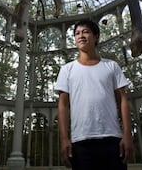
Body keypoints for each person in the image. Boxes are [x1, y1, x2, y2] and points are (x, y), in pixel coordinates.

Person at [55, 19, 133, 169]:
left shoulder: (111, 66)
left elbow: (123, 100)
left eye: (86, 32)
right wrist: (64, 139)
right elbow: (63, 105)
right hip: (80, 142)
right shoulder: (67, 70)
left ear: (96, 37)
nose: (81, 36)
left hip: (112, 139)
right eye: (77, 33)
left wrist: (127, 134)